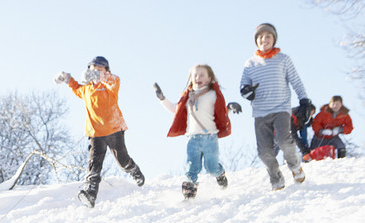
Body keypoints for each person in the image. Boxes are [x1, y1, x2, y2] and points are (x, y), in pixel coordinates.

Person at [54, 56, 145, 208]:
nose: (94, 72)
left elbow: (114, 80)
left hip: (114, 129)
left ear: (106, 71)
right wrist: (67, 78)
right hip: (95, 133)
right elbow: (76, 88)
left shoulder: (111, 85)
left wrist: (98, 76)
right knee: (94, 164)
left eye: (99, 70)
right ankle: (90, 194)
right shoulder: (87, 89)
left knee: (122, 161)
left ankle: (135, 171)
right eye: (92, 70)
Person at [240, 23, 312, 190]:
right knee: (264, 151)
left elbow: (296, 81)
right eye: (260, 37)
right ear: (256, 41)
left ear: (274, 39)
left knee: (283, 140)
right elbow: (243, 86)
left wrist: (304, 101)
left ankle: (295, 166)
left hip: (281, 108)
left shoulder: (283, 59)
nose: (264, 39)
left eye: (268, 36)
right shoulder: (250, 64)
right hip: (260, 112)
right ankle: (276, 179)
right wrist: (247, 92)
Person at [153, 64, 237, 199]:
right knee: (192, 167)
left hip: (210, 137)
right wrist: (162, 98)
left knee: (211, 167)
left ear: (209, 78)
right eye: (195, 75)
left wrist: (230, 107)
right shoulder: (187, 97)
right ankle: (189, 192)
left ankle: (219, 174)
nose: (198, 78)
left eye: (202, 75)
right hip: (192, 138)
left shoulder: (213, 94)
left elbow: (220, 112)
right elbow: (176, 109)